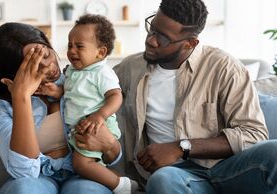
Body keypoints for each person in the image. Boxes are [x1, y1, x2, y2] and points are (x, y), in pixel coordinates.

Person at [113, 0, 277, 193]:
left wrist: (181, 147)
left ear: (190, 43)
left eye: (163, 38)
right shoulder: (130, 69)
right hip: (176, 175)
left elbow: (253, 133)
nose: (151, 40)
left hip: (227, 169)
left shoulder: (225, 68)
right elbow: (95, 85)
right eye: (152, 28)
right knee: (163, 179)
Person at [0, 22, 122, 194]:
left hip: (83, 172)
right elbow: (23, 171)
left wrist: (110, 145)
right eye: (34, 64)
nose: (49, 67)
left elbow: (113, 159)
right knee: (24, 190)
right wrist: (21, 97)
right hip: (37, 178)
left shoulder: (76, 81)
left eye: (46, 55)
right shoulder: (0, 105)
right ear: (12, 74)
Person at [63, 14, 138, 194]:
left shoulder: (101, 72)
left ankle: (121, 185)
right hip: (82, 127)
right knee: (83, 163)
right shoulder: (74, 70)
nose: (72, 51)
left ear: (100, 52)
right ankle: (107, 176)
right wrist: (56, 91)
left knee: (81, 163)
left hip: (97, 126)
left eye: (79, 46)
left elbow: (116, 96)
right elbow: (72, 93)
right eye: (69, 45)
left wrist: (100, 115)